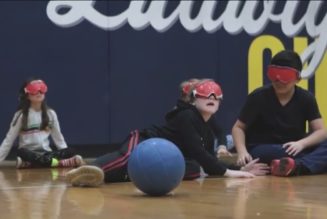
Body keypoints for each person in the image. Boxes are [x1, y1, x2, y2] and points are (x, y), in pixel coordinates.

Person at [66, 80, 269, 187]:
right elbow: (199, 152)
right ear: (194, 100)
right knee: (127, 158)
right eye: (206, 94)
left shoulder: (206, 130)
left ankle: (90, 178)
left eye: (216, 96)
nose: (212, 98)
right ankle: (89, 169)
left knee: (127, 175)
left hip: (160, 159)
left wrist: (237, 166)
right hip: (145, 141)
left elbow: (207, 159)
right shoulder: (187, 116)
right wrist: (231, 173)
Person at [232, 50, 327, 176]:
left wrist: (301, 144)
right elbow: (238, 127)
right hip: (263, 148)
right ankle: (305, 163)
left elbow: (321, 131)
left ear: (298, 78)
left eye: (285, 76)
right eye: (274, 75)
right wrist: (242, 152)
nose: (279, 81)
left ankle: (296, 166)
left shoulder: (306, 98)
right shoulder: (258, 96)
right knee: (283, 153)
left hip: (295, 147)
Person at [0, 78, 84, 168]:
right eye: (34, 89)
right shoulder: (21, 115)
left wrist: (68, 155)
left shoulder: (51, 113)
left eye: (42, 89)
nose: (39, 92)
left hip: (47, 153)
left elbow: (59, 139)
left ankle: (31, 164)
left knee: (70, 150)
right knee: (22, 152)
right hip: (29, 153)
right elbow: (9, 140)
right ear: (26, 95)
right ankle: (60, 163)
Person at [175, 78, 232, 158]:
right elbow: (198, 152)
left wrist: (222, 147)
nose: (211, 98)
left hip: (201, 150)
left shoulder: (205, 113)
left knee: (231, 139)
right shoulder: (185, 115)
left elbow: (219, 132)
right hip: (185, 153)